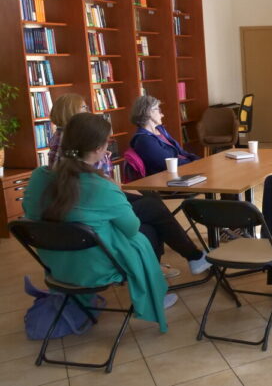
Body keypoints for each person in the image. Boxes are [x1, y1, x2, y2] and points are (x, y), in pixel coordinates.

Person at [23, 113, 175, 332]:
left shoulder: (39, 176)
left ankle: (156, 289)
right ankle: (154, 294)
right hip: (95, 268)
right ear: (98, 149)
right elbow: (131, 228)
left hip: (56, 266)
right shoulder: (101, 186)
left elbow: (31, 212)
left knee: (142, 221)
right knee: (146, 231)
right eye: (107, 143)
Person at [48, 94, 211, 278]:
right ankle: (190, 258)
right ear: (96, 149)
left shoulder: (70, 153)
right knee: (151, 209)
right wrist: (121, 189)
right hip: (94, 212)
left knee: (150, 215)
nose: (88, 110)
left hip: (90, 203)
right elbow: (129, 223)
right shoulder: (74, 149)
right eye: (84, 107)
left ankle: (166, 267)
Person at [130, 95, 200, 176]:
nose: (162, 114)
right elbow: (167, 164)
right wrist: (193, 164)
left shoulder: (160, 130)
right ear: (149, 112)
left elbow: (181, 152)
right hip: (170, 177)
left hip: (183, 169)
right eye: (158, 110)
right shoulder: (143, 140)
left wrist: (197, 160)